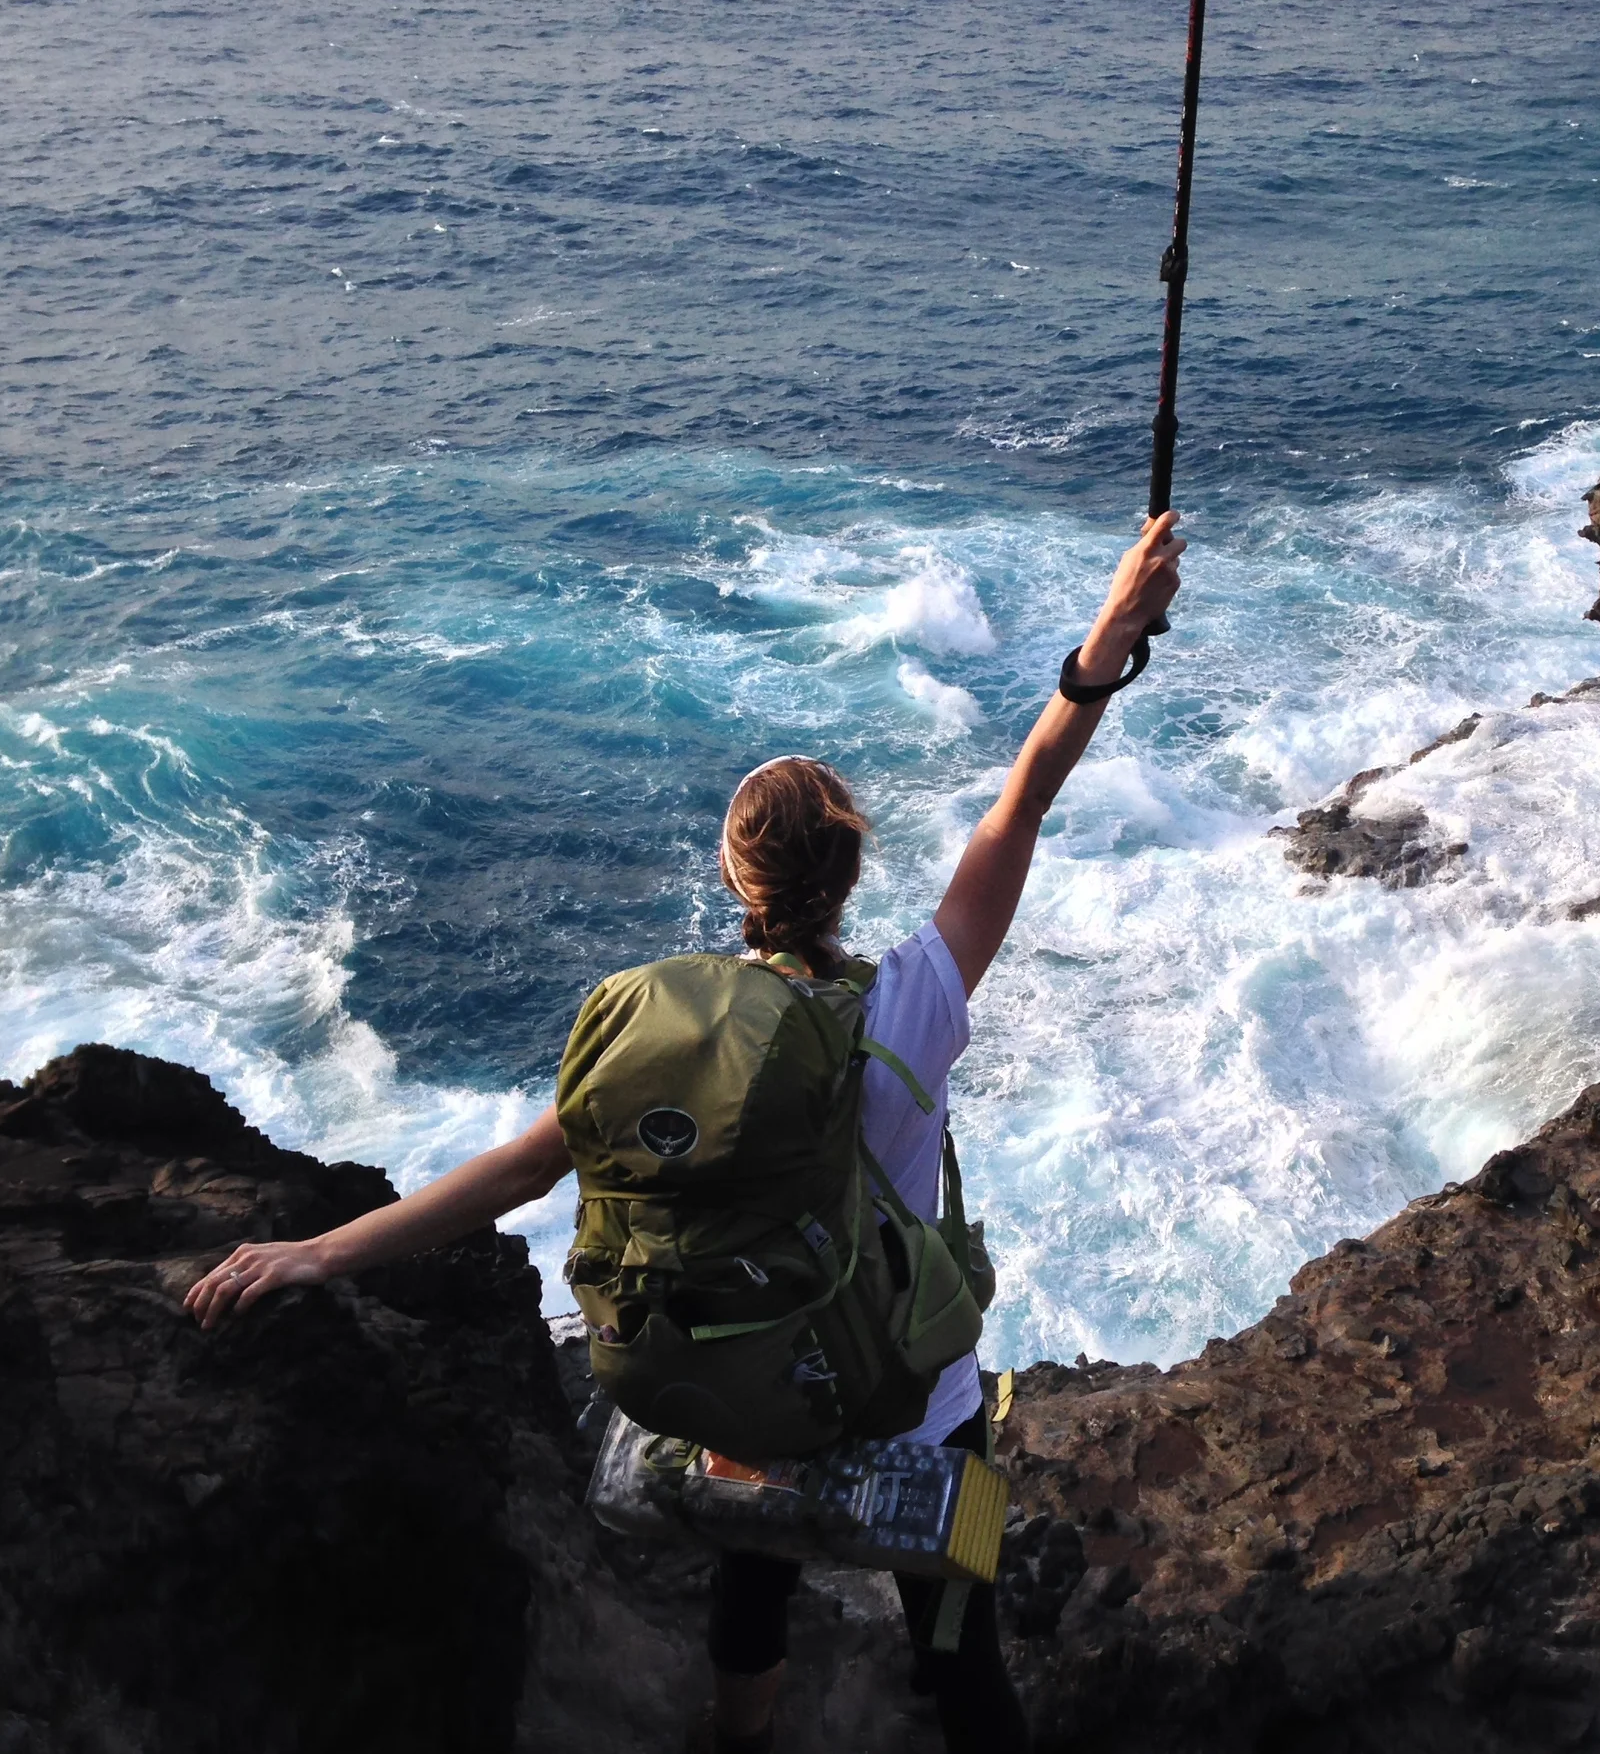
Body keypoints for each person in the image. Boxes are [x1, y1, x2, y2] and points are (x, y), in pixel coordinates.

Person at [185, 509, 1186, 1754]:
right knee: (959, 1635)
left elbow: (517, 1169)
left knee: (750, 1572)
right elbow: (1021, 804)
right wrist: (1113, 627)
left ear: (732, 878)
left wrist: (323, 1252)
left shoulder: (670, 1038)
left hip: (745, 1387)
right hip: (917, 1402)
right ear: (852, 872)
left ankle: (738, 1739)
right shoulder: (911, 1003)